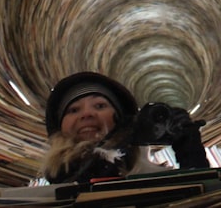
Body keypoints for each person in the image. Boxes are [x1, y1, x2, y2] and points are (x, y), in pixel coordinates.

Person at [40, 71, 210, 184]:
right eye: (73, 110)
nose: (87, 114)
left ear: (120, 118)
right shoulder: (61, 171)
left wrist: (189, 148)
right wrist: (125, 136)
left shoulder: (148, 173)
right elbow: (89, 178)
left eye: (99, 106)